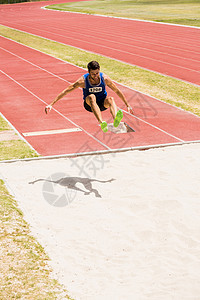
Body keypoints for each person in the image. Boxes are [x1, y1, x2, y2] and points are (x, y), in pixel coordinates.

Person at [45, 61, 134, 132]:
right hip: (89, 104)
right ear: (88, 72)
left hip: (102, 103)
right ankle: (101, 122)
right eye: (93, 74)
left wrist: (127, 105)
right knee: (92, 96)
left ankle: (116, 120)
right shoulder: (82, 81)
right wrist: (51, 104)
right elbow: (66, 91)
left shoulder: (105, 79)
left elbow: (117, 91)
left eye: (97, 73)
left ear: (99, 70)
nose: (95, 76)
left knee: (111, 99)